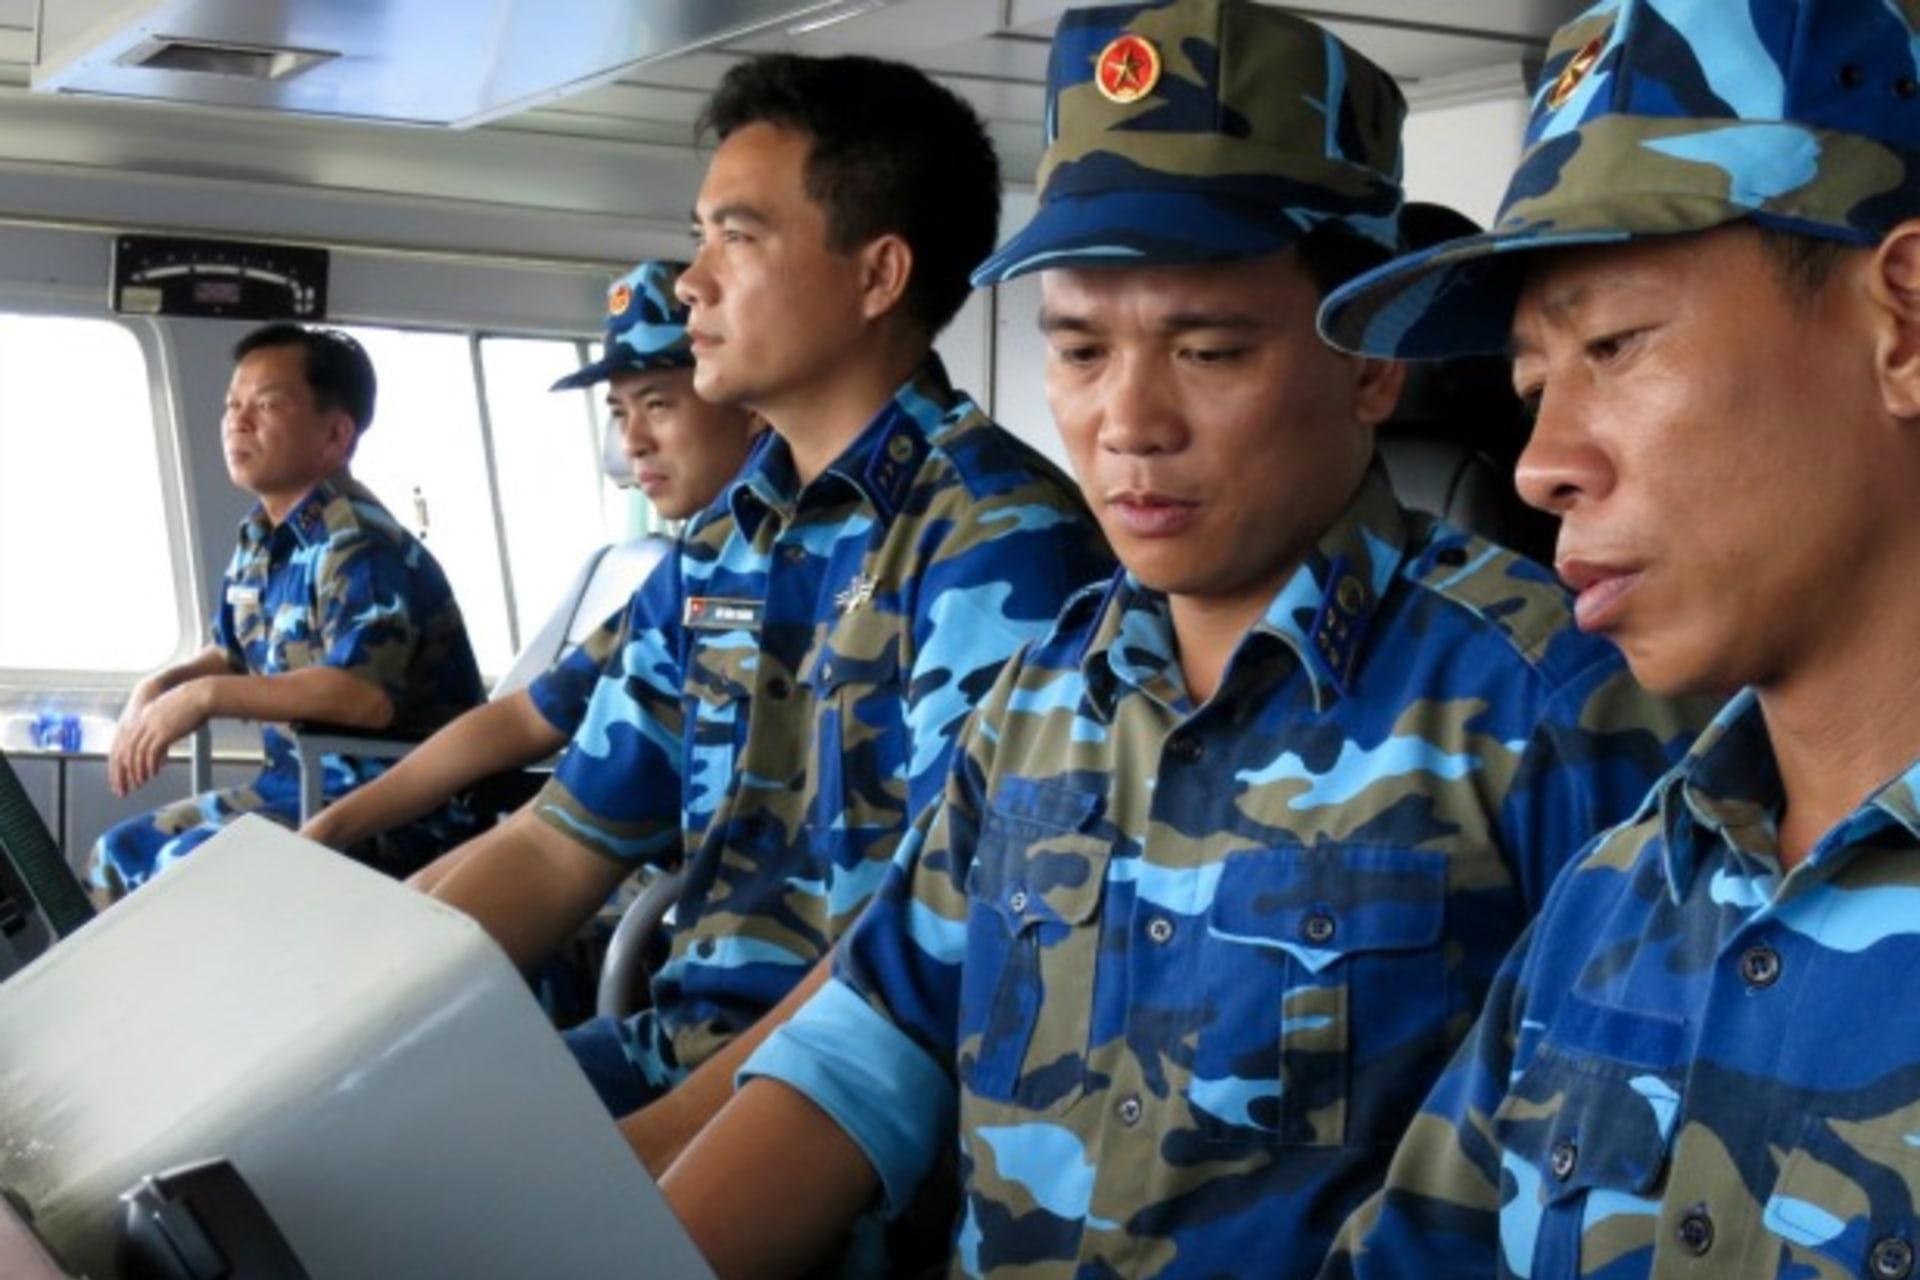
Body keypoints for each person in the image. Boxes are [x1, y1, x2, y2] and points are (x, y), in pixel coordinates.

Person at [654, 3, 1712, 1277]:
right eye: (1081, 350)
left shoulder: (1552, 697)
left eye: (1209, 349)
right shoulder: (1042, 692)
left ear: (1371, 366)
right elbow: (867, 1047)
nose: (1129, 421)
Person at [1307, 0, 1920, 1276]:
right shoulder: (1620, 890)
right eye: (1534, 386)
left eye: (1615, 344)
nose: (1539, 466)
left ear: (1903, 325)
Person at [425, 50, 1113, 1179]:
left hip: (855, 1104)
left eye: (736, 237)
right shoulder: (727, 537)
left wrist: (639, 1158)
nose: (692, 281)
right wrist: (349, 1004)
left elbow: (929, 959)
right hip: (678, 1045)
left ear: (878, 273)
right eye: (700, 235)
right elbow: (556, 845)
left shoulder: (998, 545)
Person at [299, 259, 762, 858]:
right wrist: (328, 829)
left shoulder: (787, 560)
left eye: (659, 405)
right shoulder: (694, 568)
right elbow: (525, 718)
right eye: (620, 412)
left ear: (744, 398)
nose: (632, 442)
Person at [92, 323, 484, 896]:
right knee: (117, 856)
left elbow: (364, 697)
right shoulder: (261, 536)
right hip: (293, 785)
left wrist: (204, 699)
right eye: (233, 404)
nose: (237, 421)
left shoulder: (361, 544)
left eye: (267, 404)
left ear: (335, 436)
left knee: (187, 870)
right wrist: (159, 688)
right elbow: (232, 656)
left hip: (397, 807)